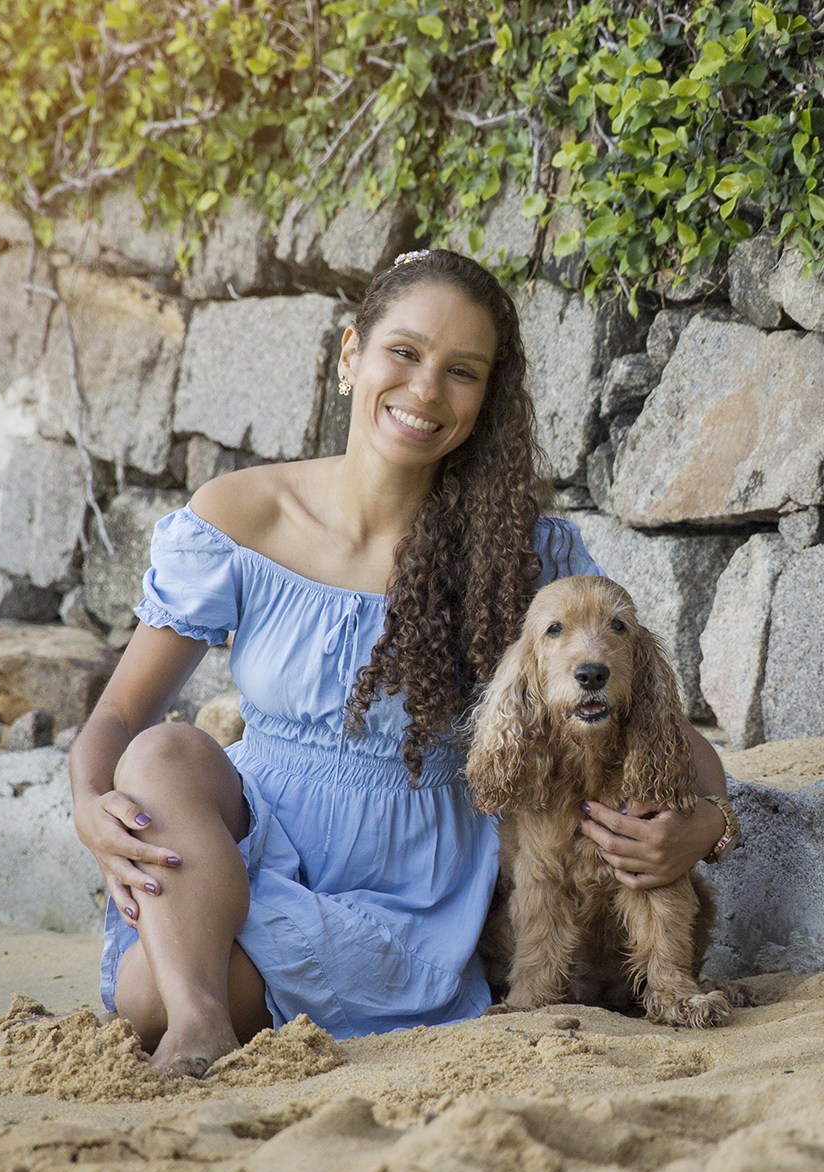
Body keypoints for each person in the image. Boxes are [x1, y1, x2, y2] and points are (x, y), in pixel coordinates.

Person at [71, 249, 730, 1077]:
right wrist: (89, 805)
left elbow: (653, 716)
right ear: (352, 355)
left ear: (486, 397)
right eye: (406, 354)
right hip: (258, 840)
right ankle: (201, 1024)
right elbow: (120, 716)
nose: (425, 391)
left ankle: (202, 999)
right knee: (163, 753)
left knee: (142, 993)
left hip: (416, 890)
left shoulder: (524, 553)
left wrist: (704, 823)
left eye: (463, 372)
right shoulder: (242, 514)